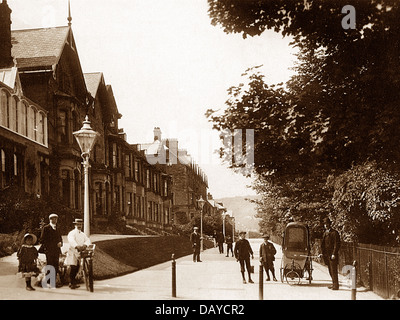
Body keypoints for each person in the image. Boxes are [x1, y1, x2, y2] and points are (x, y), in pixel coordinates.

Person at [65, 218, 91, 289]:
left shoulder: (83, 234)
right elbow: (71, 240)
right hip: (73, 252)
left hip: (79, 252)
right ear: (75, 225)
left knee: (78, 267)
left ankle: (73, 282)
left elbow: (88, 240)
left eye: (80, 224)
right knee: (73, 267)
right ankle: (71, 283)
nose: (79, 226)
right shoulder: (72, 233)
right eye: (78, 224)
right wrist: (77, 246)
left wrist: (85, 245)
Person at [39, 213, 63, 287]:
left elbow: (60, 238)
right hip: (49, 250)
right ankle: (49, 282)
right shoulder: (46, 228)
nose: (55, 220)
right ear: (50, 219)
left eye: (56, 219)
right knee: (50, 265)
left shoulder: (57, 228)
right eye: (53, 219)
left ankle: (53, 282)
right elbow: (42, 239)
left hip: (56, 250)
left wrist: (61, 243)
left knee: (56, 265)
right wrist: (48, 246)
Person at [321, 217, 341, 290]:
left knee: (333, 270)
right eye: (325, 224)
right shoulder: (325, 233)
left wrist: (334, 254)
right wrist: (322, 253)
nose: (326, 225)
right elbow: (323, 245)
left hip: (332, 255)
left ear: (330, 224)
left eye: (327, 224)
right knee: (330, 270)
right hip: (326, 255)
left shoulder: (334, 233)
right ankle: (333, 284)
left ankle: (336, 285)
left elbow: (337, 244)